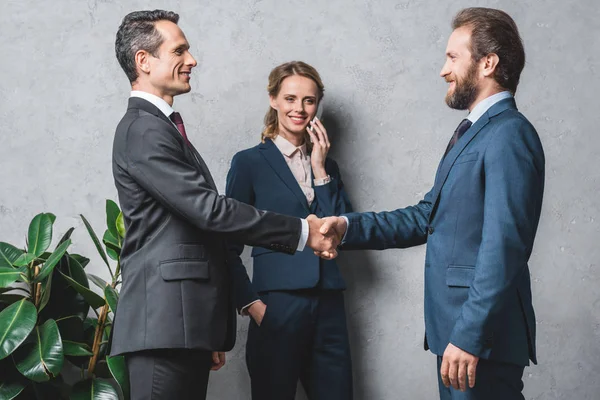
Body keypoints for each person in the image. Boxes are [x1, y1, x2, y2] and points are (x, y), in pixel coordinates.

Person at [110, 10, 338, 400]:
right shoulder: (143, 129)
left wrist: (204, 326)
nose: (192, 60)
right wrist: (303, 231)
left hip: (182, 327)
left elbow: (198, 230)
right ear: (143, 61)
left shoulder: (160, 127)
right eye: (179, 50)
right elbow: (210, 211)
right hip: (162, 328)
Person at [319, 7, 544, 400]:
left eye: (453, 57)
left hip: (477, 339)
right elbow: (429, 217)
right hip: (454, 333)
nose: (443, 69)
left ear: (488, 63)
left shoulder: (510, 134)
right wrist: (347, 226)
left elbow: (504, 247)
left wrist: (471, 334)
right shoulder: (474, 133)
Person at [226, 61, 354, 400]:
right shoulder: (249, 163)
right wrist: (252, 304)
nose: (299, 109)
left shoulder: (329, 165)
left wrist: (320, 169)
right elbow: (225, 245)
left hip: (328, 303)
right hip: (276, 305)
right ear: (273, 99)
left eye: (309, 101)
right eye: (290, 98)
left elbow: (342, 230)